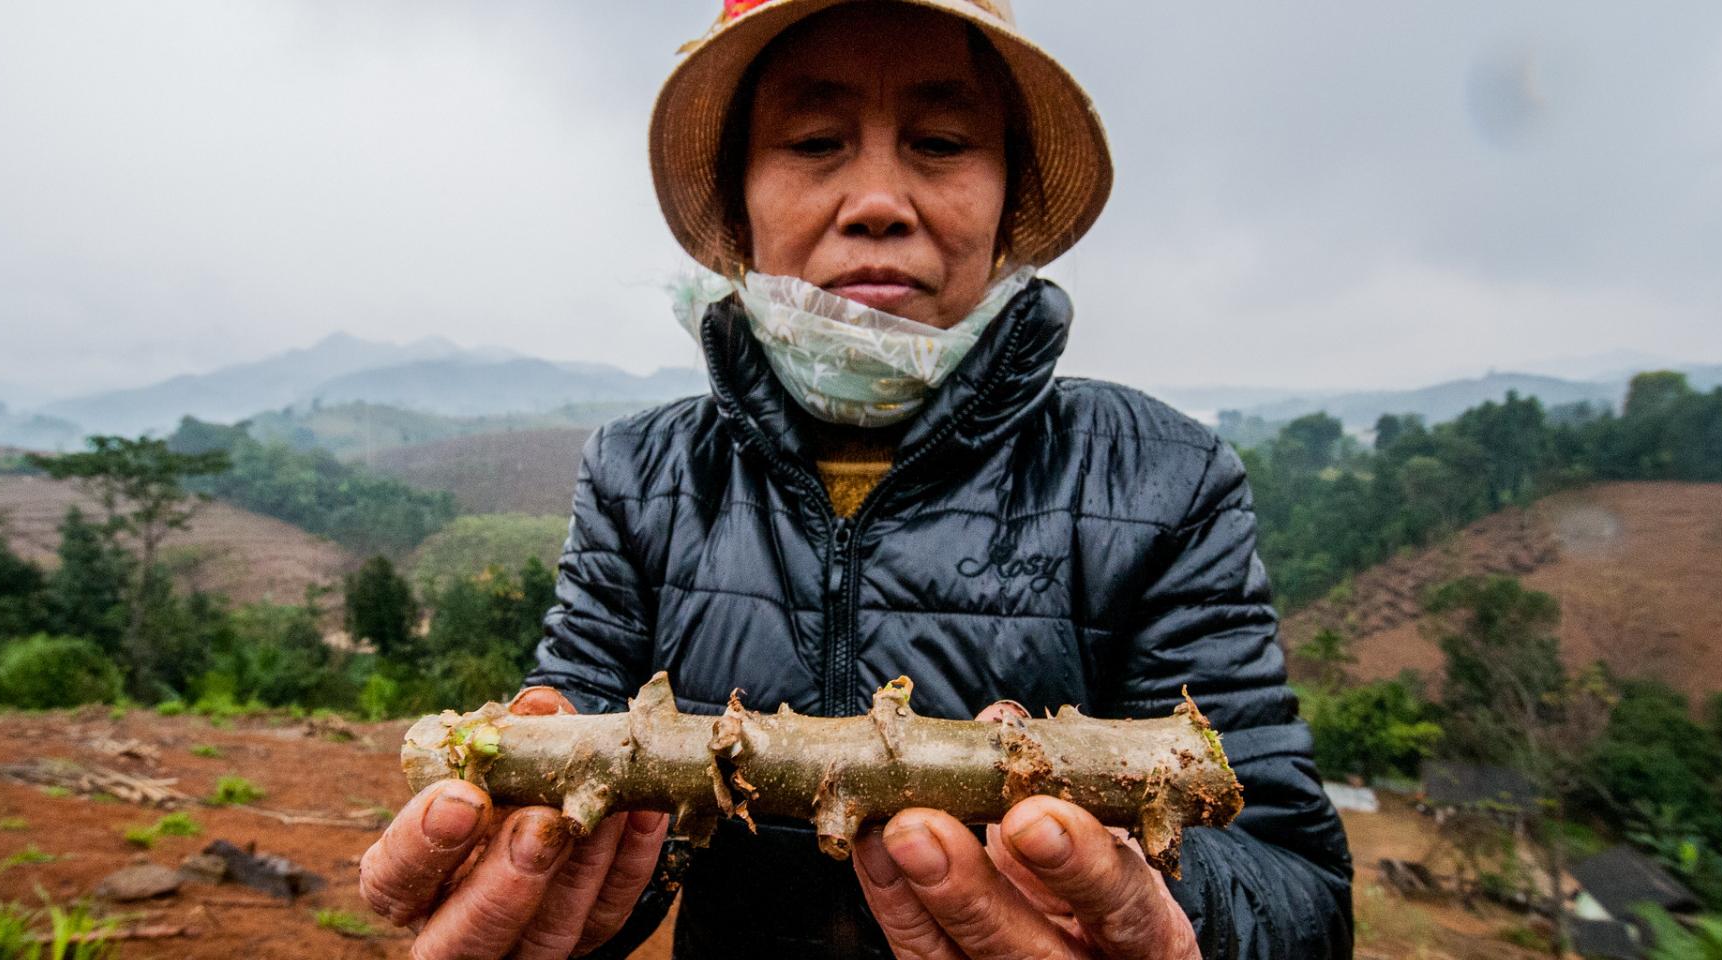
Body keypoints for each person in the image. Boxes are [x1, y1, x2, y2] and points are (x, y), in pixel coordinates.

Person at [359, 1, 1354, 957]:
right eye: (815, 141)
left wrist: (1163, 922)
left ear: (1007, 200)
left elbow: (1292, 884)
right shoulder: (641, 475)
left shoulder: (1163, 479)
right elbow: (586, 767)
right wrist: (548, 897)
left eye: (942, 142)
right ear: (738, 205)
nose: (878, 203)